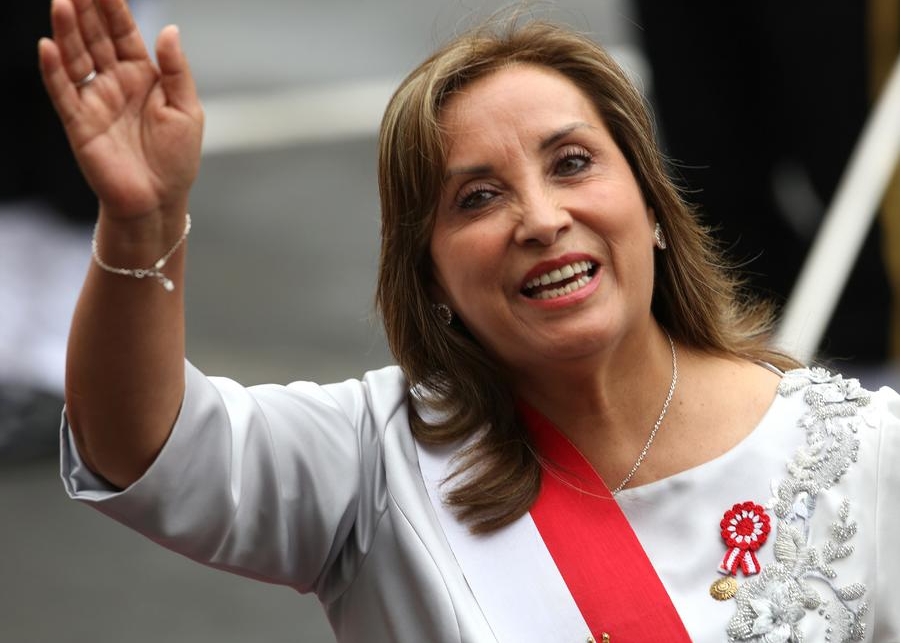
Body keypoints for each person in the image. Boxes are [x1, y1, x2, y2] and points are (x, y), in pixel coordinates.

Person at [39, 0, 898, 641]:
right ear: (432, 274)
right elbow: (143, 446)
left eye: (571, 163)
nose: (539, 218)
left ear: (654, 205)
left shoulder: (863, 449)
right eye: (476, 197)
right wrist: (142, 223)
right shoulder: (374, 462)